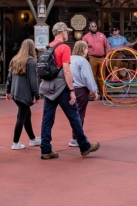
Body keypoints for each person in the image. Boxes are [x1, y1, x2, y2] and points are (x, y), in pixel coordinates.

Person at [37, 22, 101, 160]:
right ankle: (84, 146)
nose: (67, 34)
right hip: (61, 87)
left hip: (49, 87)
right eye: (66, 31)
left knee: (47, 119)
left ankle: (46, 149)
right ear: (62, 32)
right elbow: (66, 70)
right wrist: (71, 90)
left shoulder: (48, 46)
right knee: (74, 116)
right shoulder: (64, 47)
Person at [6, 38, 41, 149]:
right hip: (24, 94)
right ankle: (15, 142)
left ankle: (33, 139)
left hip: (15, 92)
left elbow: (9, 76)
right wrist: (37, 94)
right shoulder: (31, 61)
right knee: (21, 117)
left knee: (26, 115)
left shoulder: (15, 59)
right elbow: (33, 80)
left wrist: (8, 90)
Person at [69, 40, 99, 146]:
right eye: (86, 48)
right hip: (80, 90)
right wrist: (94, 90)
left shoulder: (69, 59)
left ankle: (75, 136)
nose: (87, 50)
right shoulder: (83, 61)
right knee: (80, 114)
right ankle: (76, 137)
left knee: (73, 114)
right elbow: (87, 78)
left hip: (69, 89)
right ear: (83, 49)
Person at [82, 21, 110, 94]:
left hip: (102, 58)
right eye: (92, 26)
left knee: (102, 76)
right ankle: (92, 94)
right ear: (89, 27)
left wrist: (107, 57)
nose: (94, 28)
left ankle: (103, 93)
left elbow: (107, 47)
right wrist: (85, 58)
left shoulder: (102, 35)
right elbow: (83, 48)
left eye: (95, 26)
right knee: (92, 76)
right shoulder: (85, 37)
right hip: (92, 58)